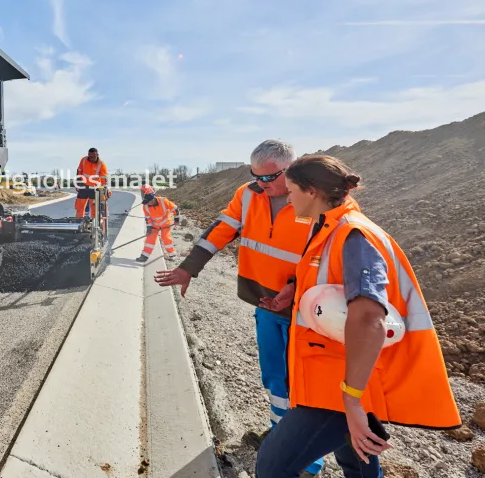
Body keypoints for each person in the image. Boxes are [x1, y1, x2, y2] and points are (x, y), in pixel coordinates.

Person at [255, 155, 460, 477]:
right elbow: (335, 285)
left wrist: (352, 401)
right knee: (357, 459)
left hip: (339, 387)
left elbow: (369, 320)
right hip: (331, 376)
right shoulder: (330, 229)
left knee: (271, 466)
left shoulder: (353, 235)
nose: (287, 197)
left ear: (311, 192)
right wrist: (295, 290)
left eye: (291, 190)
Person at [154, 139, 325, 477]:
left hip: (306, 309)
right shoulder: (249, 194)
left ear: (290, 169)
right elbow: (221, 230)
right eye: (255, 176)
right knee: (276, 377)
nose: (261, 184)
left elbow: (330, 250)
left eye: (269, 178)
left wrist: (297, 286)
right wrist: (189, 267)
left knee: (304, 381)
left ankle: (307, 460)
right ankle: (279, 435)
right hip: (264, 301)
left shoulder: (314, 197)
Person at [136, 185, 180, 263]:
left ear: (153, 198)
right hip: (154, 225)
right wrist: (149, 228)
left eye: (148, 201)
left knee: (165, 238)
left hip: (165, 224)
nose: (147, 203)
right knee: (150, 239)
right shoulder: (145, 206)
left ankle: (172, 254)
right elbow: (148, 218)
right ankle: (144, 256)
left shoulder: (163, 201)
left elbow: (175, 208)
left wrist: (176, 219)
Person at [74, 147, 108, 218]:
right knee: (80, 206)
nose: (92, 158)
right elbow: (79, 171)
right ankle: (79, 222)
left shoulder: (101, 164)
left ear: (97, 155)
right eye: (90, 156)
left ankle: (94, 224)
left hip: (94, 188)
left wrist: (103, 189)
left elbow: (103, 179)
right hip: (83, 186)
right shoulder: (83, 160)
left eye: (94, 157)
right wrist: (78, 183)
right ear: (88, 155)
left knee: (94, 209)